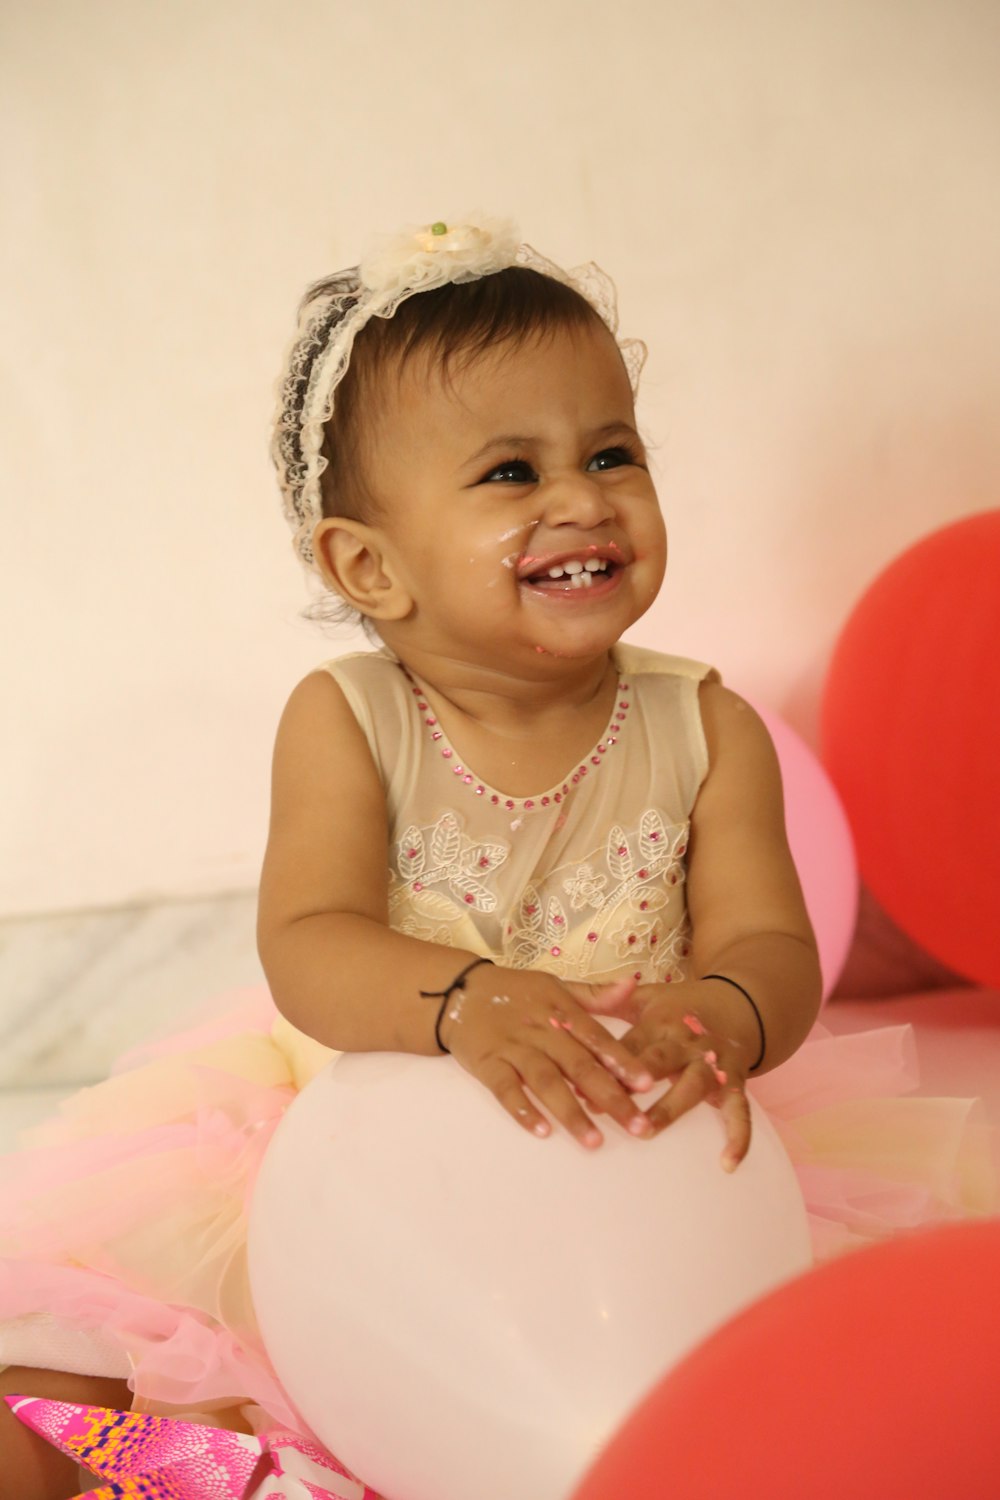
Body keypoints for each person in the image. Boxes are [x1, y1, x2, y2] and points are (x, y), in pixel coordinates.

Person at [0, 216, 991, 1499]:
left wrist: (721, 1014)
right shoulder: (348, 719)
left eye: (610, 452)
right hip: (350, 1154)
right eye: (510, 474)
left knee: (844, 1378)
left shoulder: (708, 728)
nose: (582, 496)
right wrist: (462, 999)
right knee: (79, 1368)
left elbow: (774, 947)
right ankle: (208, 1468)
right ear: (372, 565)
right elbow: (310, 943)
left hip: (634, 1162)